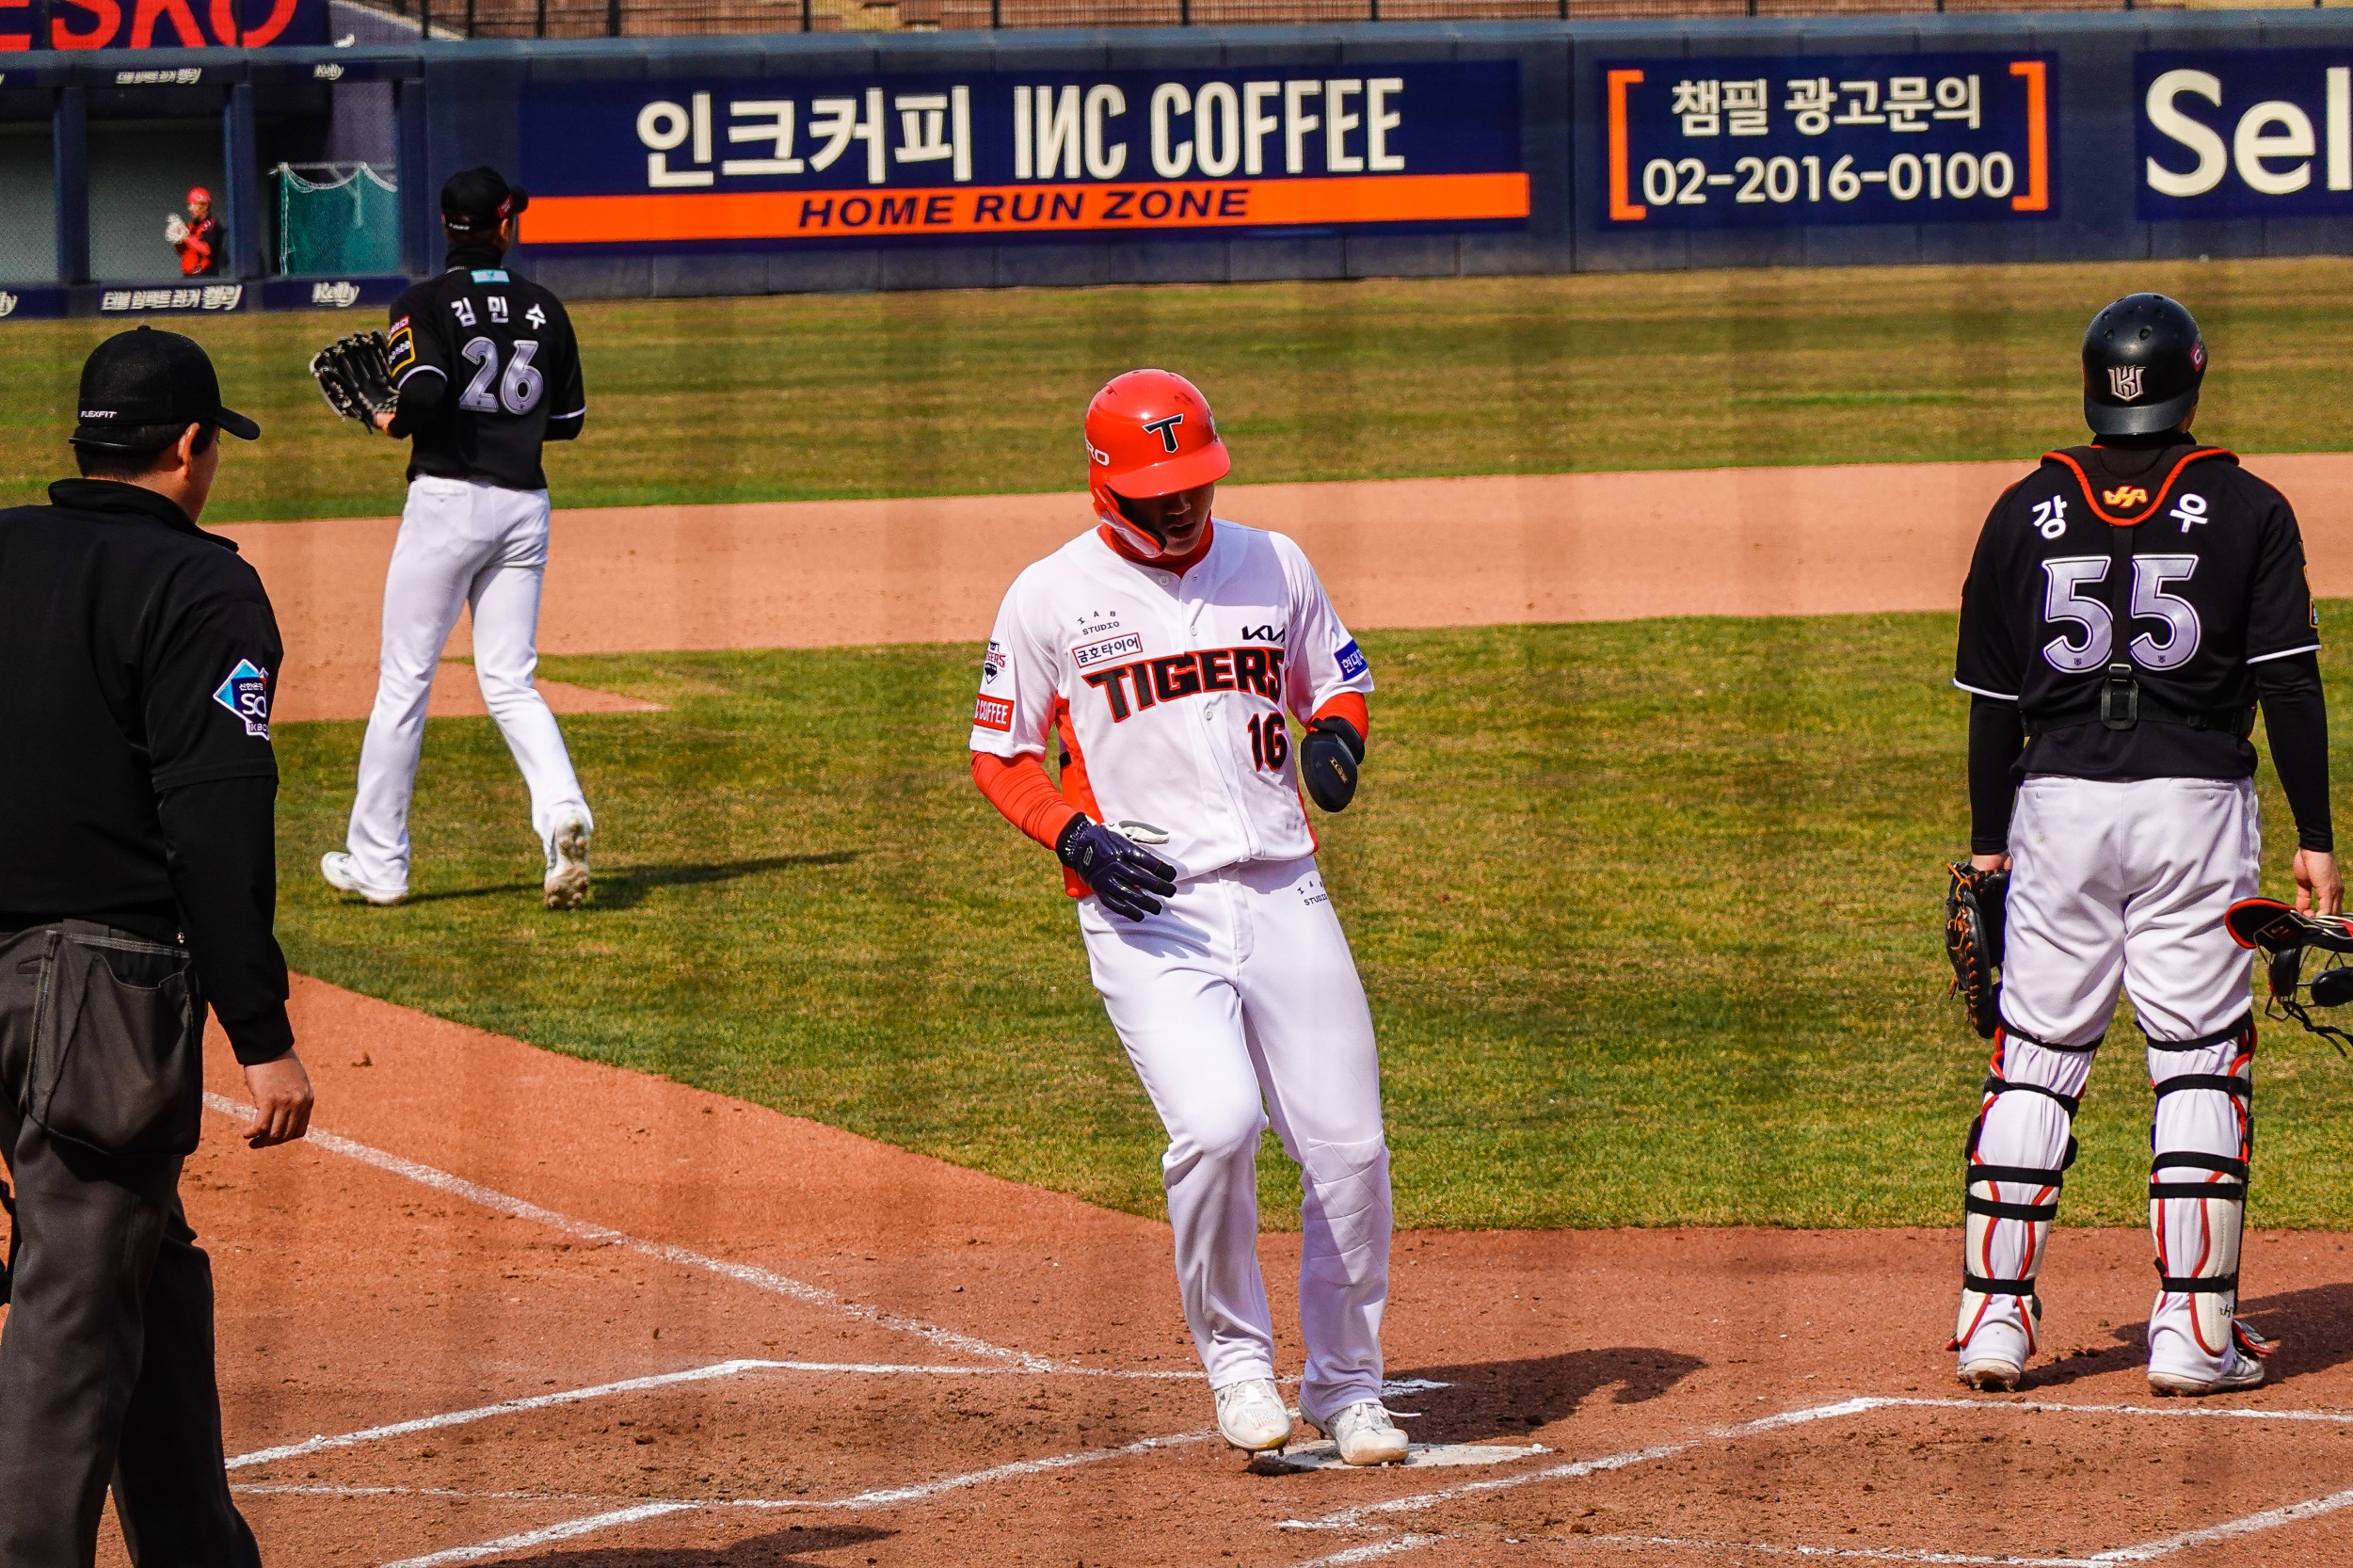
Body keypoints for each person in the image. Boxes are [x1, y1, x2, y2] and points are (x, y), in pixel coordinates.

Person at [968, 370, 1407, 1465]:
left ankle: (1347, 1386)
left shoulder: (1273, 561)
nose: (1179, 506)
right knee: (1215, 1127)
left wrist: (1338, 738)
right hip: (1148, 911)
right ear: (1105, 486)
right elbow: (1001, 754)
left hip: (1284, 890)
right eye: (1156, 492)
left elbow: (1335, 681)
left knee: (1350, 1149)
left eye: (1194, 486)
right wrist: (1073, 837)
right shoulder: (1048, 595)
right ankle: (1238, 1365)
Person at [1948, 293, 2335, 1398]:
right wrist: (2315, 837)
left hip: (2056, 804)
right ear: (2191, 381)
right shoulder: (2250, 506)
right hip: (2194, 806)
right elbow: (2287, 688)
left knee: (2035, 1054)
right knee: (2197, 1055)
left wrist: (1988, 847)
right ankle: (2193, 1333)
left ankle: (1991, 1321)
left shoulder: (2022, 509)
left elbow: (1991, 707)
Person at [0, 326, 315, 1564]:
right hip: (96, 998)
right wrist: (262, 1031)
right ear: (191, 446)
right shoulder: (202, 587)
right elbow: (216, 822)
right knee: (72, 1317)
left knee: (149, 1268)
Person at [321, 166, 594, 910]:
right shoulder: (544, 305)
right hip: (525, 506)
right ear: (504, 225)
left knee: (405, 681)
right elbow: (568, 423)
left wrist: (388, 418)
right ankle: (562, 811)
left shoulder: (422, 302)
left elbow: (424, 392)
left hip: (446, 503)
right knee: (510, 680)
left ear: (447, 226)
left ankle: (380, 865)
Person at [167, 186, 219, 278]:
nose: (190, 209)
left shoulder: (213, 226)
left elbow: (208, 251)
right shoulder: (191, 227)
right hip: (188, 277)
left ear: (205, 205)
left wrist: (186, 238)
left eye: (194, 204)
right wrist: (178, 240)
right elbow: (183, 252)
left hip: (206, 278)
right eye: (189, 205)